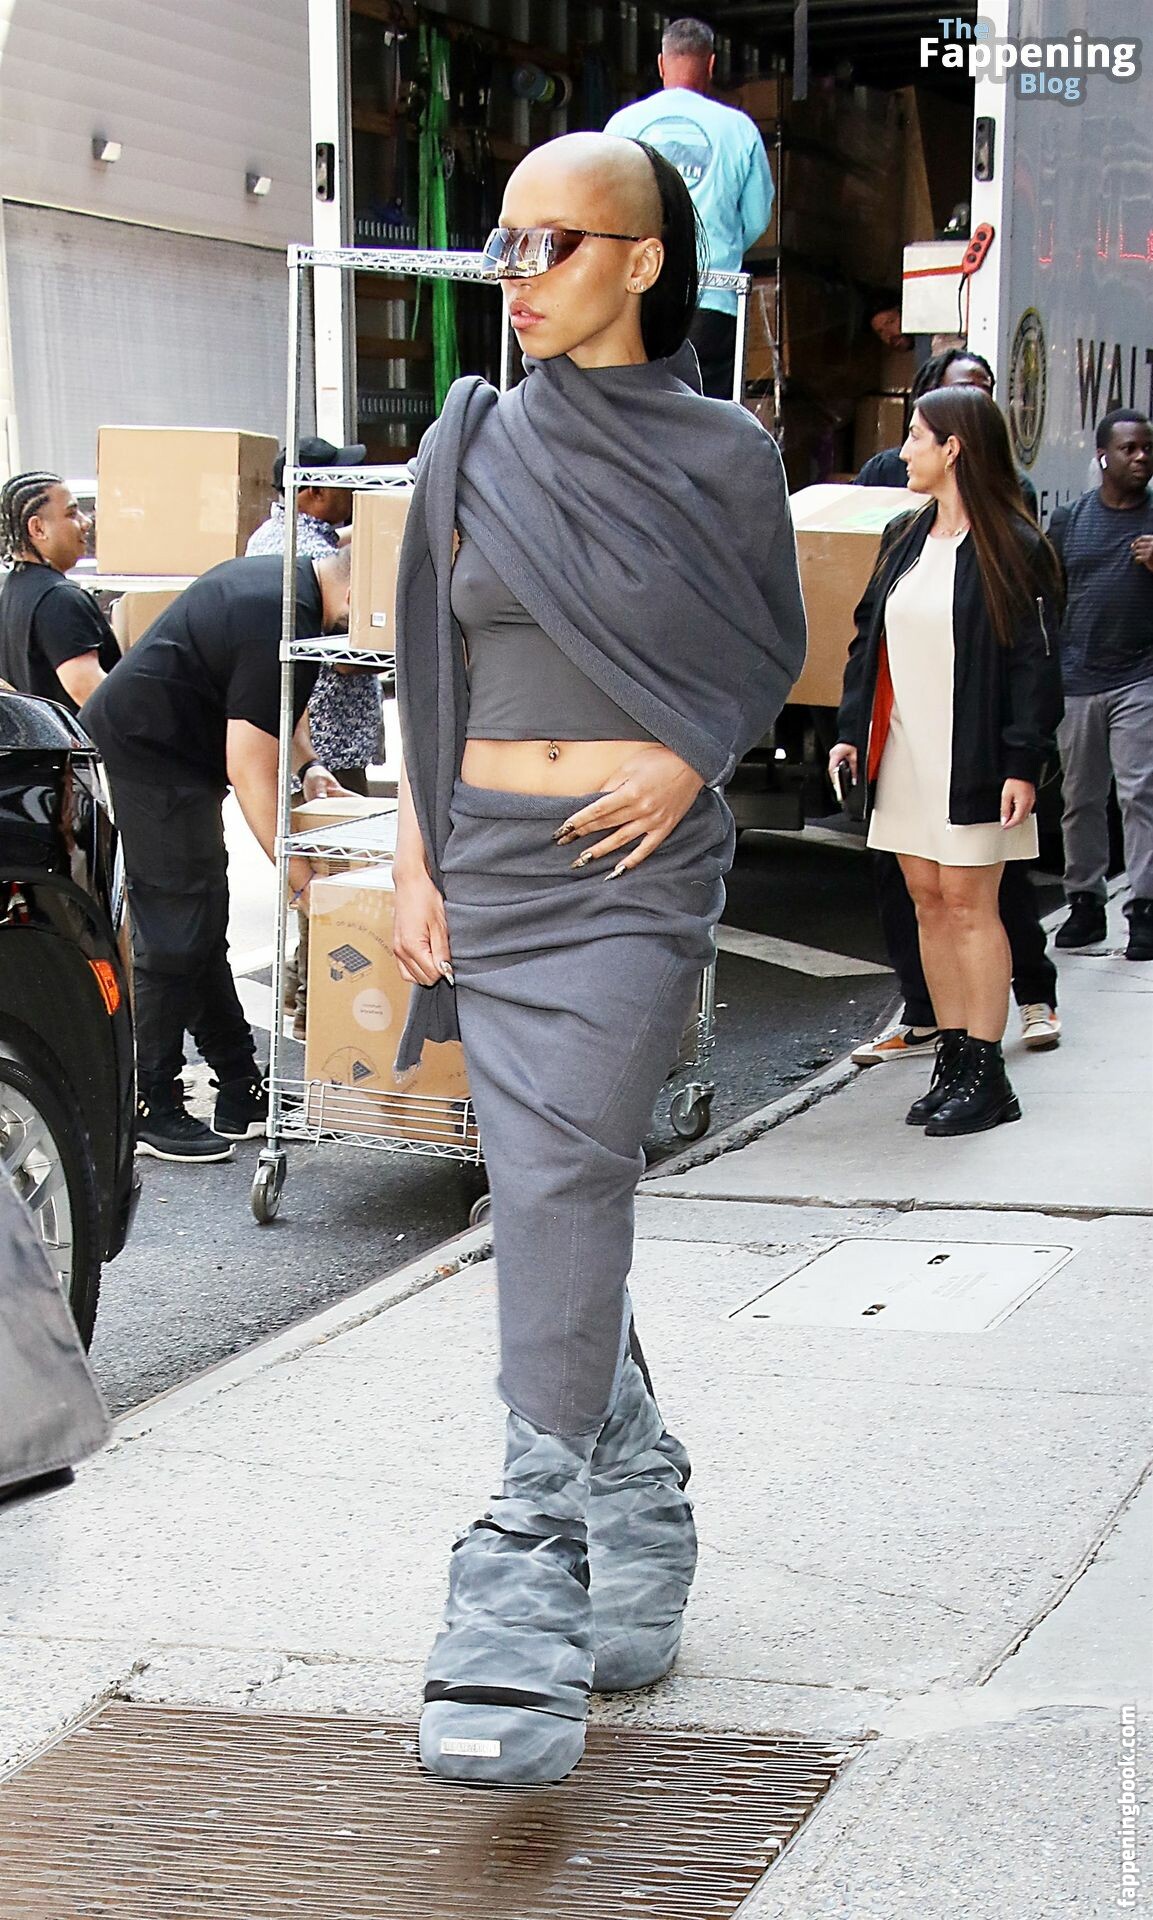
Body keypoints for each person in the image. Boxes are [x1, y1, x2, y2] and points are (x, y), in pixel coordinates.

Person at [392, 131, 805, 1787]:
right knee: (547, 1196)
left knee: (565, 1177)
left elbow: (768, 646)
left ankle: (527, 1556)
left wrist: (691, 753)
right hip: (487, 866)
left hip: (632, 876)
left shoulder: (725, 455)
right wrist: (416, 861)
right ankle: (642, 1493)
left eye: (550, 243)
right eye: (502, 244)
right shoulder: (469, 440)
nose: (517, 275)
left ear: (640, 260)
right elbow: (425, 667)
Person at [830, 386, 1064, 1136]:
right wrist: (850, 729)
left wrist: (1022, 762)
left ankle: (987, 1075)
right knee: (926, 901)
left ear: (953, 448)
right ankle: (955, 1060)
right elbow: (868, 638)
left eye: (916, 437)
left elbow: (1035, 666)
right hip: (904, 750)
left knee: (970, 906)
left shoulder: (1014, 546)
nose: (902, 451)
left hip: (976, 757)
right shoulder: (904, 534)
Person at [81, 550, 352, 1162]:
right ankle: (147, 1104)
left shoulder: (292, 593)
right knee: (175, 935)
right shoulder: (280, 616)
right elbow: (250, 768)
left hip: (167, 757)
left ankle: (239, 1089)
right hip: (146, 758)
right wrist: (303, 883)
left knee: (199, 926)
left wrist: (309, 768)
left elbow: (270, 708)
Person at [248, 437, 384, 1036]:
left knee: (312, 865)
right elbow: (347, 657)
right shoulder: (316, 556)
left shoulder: (269, 538)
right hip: (327, 744)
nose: (349, 491)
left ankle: (298, 990)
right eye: (337, 484)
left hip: (299, 738)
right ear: (308, 493)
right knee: (335, 877)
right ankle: (317, 1007)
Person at [603, 18, 773, 400]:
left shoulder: (622, 125)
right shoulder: (739, 128)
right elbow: (757, 218)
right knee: (706, 413)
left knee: (634, 409)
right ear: (711, 64)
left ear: (662, 63)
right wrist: (719, 247)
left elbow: (601, 208)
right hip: (712, 298)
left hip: (638, 295)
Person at [1048, 409, 1153, 962]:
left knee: (1140, 793)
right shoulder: (1072, 520)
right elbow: (1048, 596)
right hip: (1079, 678)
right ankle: (1085, 902)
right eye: (1129, 449)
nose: (1141, 458)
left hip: (1141, 676)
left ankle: (1145, 909)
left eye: (1147, 449)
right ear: (1103, 456)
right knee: (1081, 796)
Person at [0, 472, 121, 713]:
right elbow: (89, 690)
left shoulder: (13, 591)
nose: (86, 522)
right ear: (38, 528)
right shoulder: (59, 599)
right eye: (71, 514)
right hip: (72, 737)